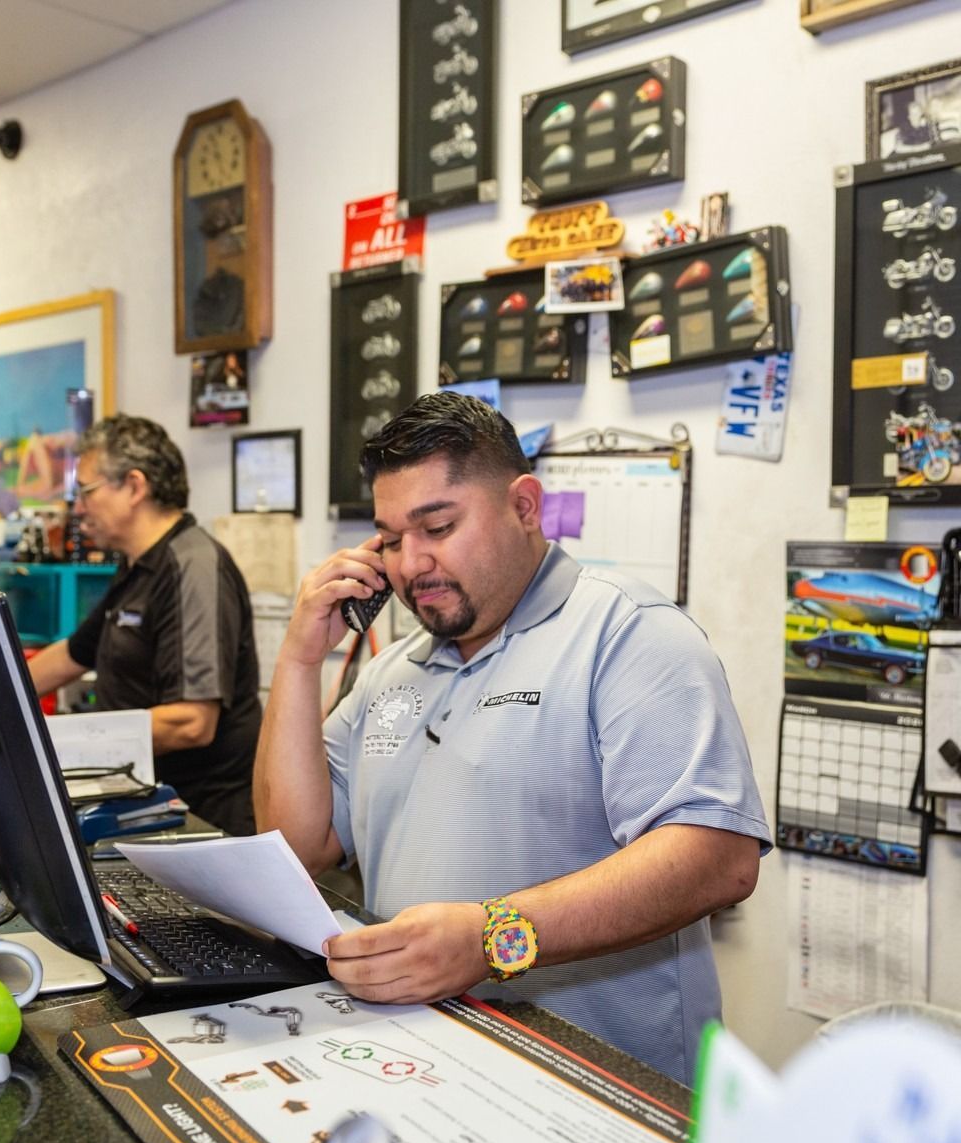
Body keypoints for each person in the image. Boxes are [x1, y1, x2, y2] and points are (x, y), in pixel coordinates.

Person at [255, 392, 771, 1084]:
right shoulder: (391, 672)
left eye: (436, 527)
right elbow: (296, 845)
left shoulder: (630, 634)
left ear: (525, 507)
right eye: (390, 538)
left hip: (603, 1091)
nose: (409, 565)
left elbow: (719, 858)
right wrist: (297, 659)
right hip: (430, 1065)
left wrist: (492, 939)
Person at [28, 415, 261, 837]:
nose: (78, 508)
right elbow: (73, 654)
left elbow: (192, 721)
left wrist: (55, 738)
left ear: (134, 486)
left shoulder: (194, 566)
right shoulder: (136, 566)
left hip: (198, 822)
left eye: (86, 492)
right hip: (138, 803)